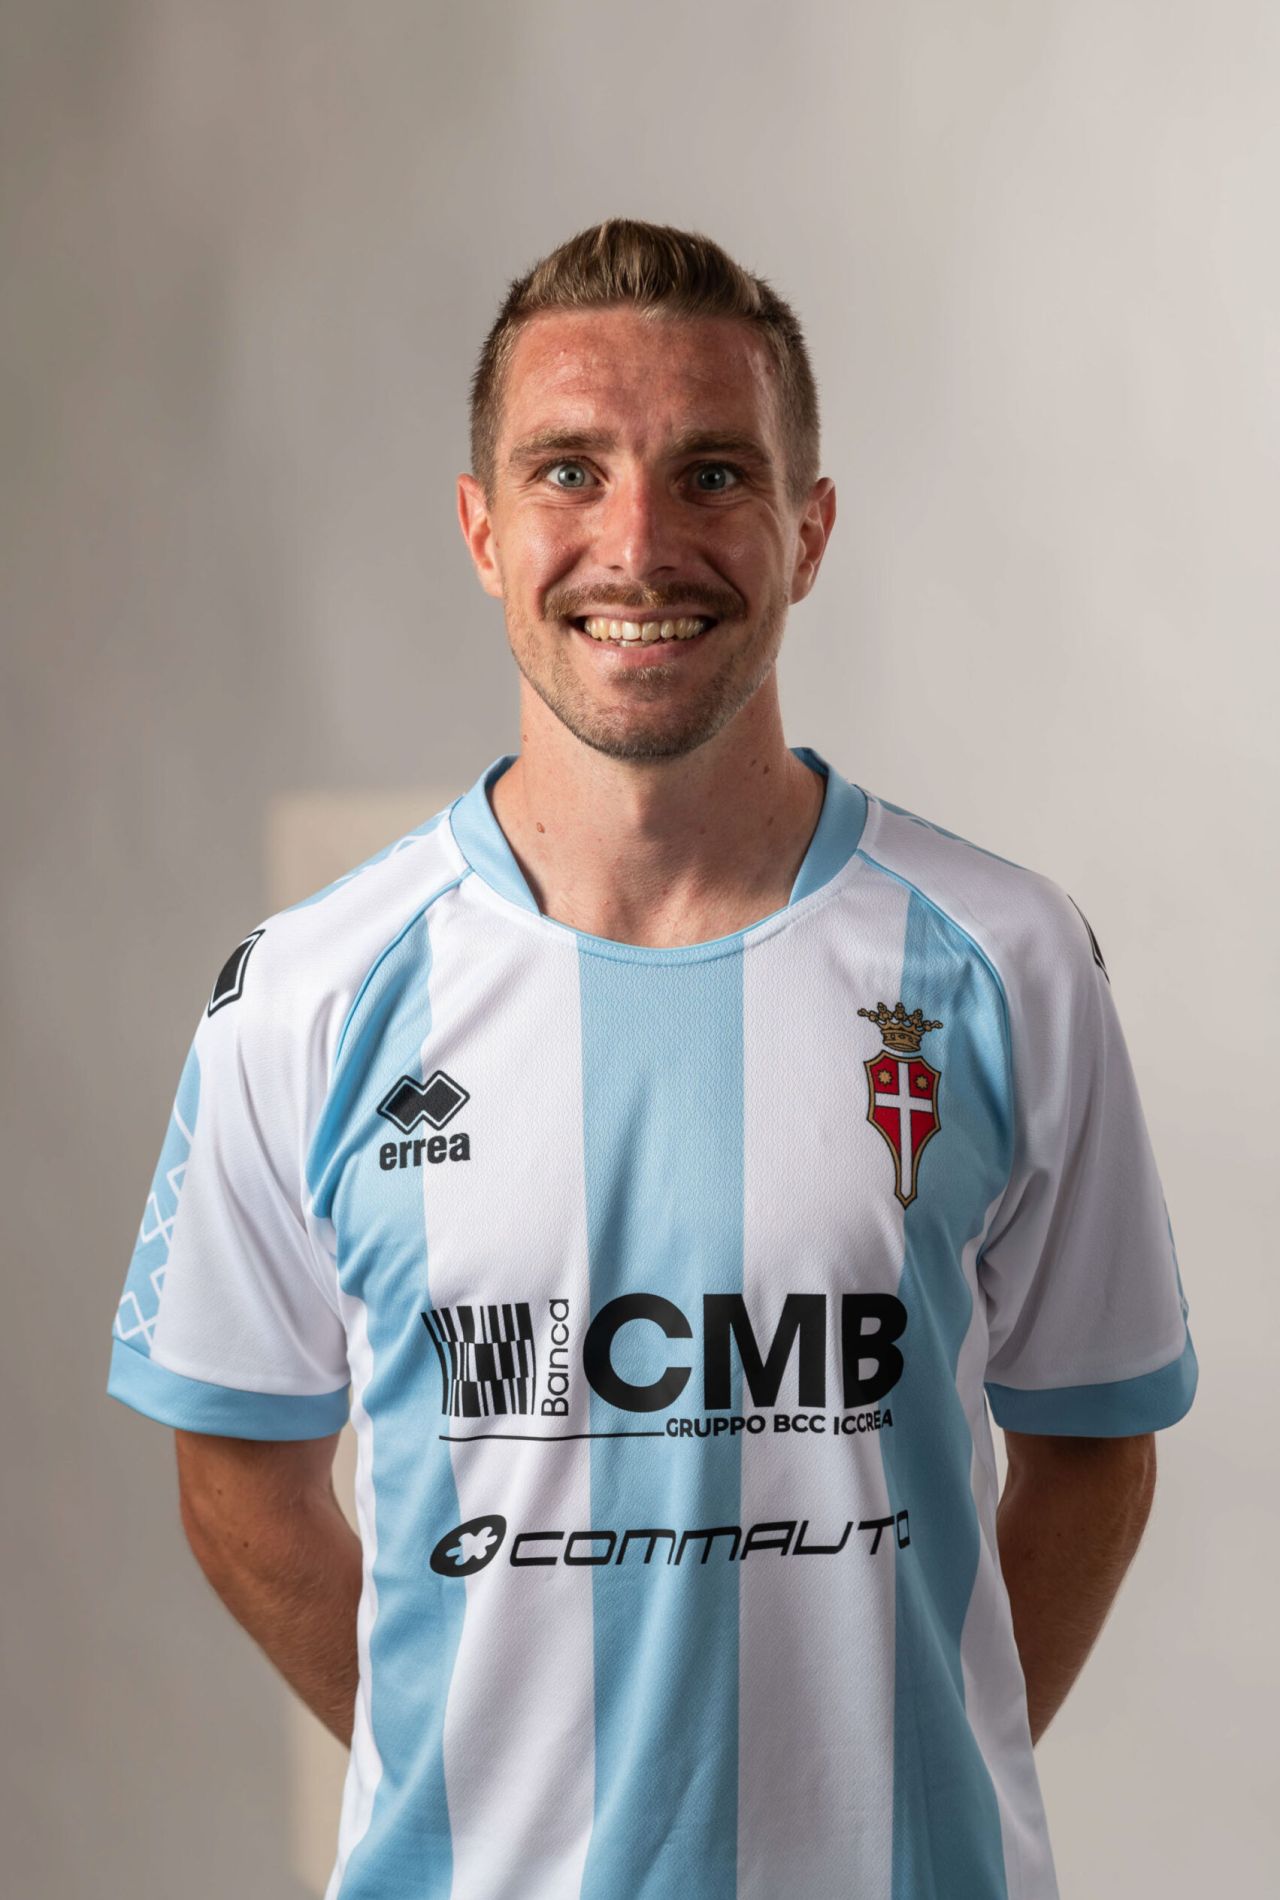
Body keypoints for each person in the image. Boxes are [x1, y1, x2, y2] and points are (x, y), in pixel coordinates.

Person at [107, 217, 1198, 1900]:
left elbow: (1095, 1448)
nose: (638, 543)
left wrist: (908, 1774)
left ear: (807, 531)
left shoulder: (1006, 957)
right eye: (569, 471)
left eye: (712, 475)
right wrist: (473, 1781)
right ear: (482, 529)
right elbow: (234, 1471)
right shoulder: (309, 993)